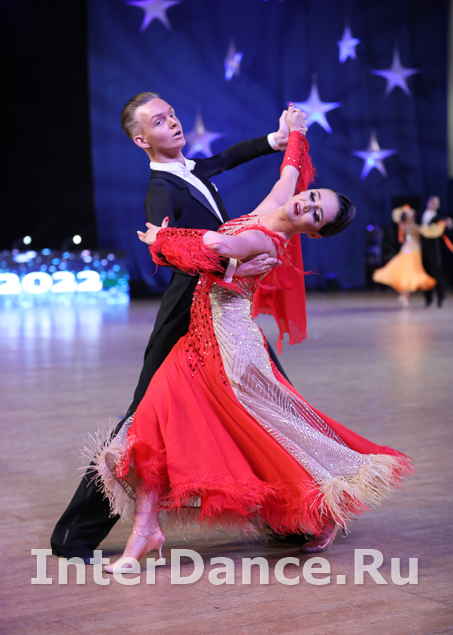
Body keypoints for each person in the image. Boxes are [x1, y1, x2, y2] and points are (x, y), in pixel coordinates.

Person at [88, 115, 411, 574]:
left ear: (313, 232)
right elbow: (290, 170)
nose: (307, 204)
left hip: (227, 350)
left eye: (316, 214)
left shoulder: (266, 238)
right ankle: (146, 529)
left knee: (267, 438)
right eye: (314, 197)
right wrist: (295, 132)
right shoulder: (278, 202)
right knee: (154, 421)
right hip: (199, 340)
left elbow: (218, 247)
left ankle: (320, 510)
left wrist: (163, 238)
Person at [50, 93, 306, 561]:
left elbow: (226, 157)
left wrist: (276, 139)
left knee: (265, 401)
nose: (172, 122)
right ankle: (73, 536)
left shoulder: (190, 170)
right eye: (158, 121)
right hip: (186, 313)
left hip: (222, 310)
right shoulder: (162, 192)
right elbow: (168, 250)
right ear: (141, 140)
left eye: (171, 114)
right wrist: (234, 268)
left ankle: (290, 521)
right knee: (140, 419)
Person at [373, 205, 446, 307]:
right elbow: (428, 231)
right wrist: (441, 226)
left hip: (408, 249)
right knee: (409, 274)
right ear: (407, 218)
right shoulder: (412, 226)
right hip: (412, 251)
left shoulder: (406, 225)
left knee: (407, 274)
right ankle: (405, 296)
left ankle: (405, 296)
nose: (413, 216)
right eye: (411, 215)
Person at [421, 196, 453, 307]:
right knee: (425, 272)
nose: (433, 204)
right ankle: (428, 299)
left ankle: (440, 296)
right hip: (422, 247)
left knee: (436, 271)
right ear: (427, 202)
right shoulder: (422, 214)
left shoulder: (439, 217)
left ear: (438, 206)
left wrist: (448, 222)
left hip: (433, 247)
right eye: (431, 202)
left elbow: (447, 222)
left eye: (435, 203)